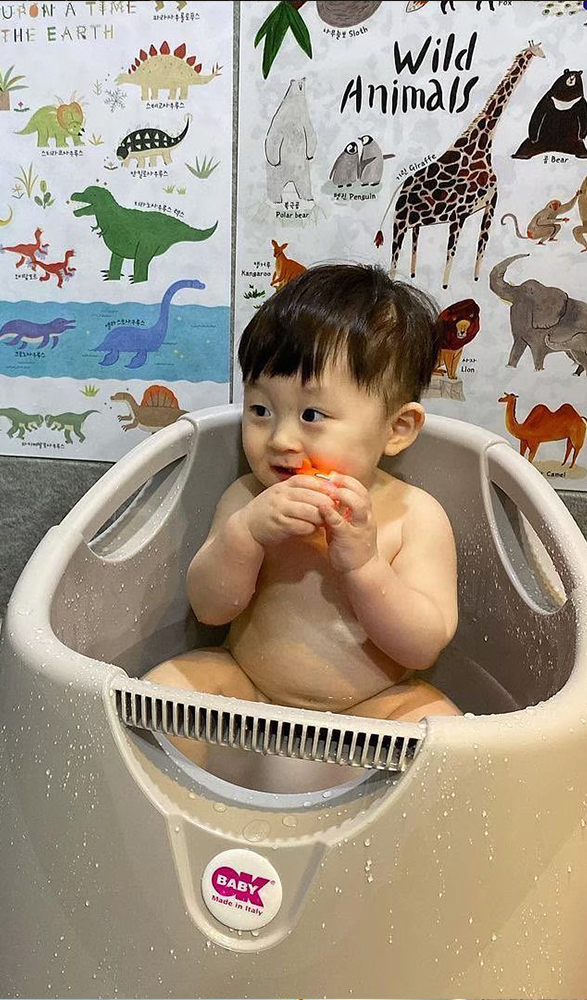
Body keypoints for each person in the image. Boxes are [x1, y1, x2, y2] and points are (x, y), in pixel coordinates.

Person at [144, 263, 460, 762]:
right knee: (162, 697)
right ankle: (182, 802)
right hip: (251, 693)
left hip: (374, 710)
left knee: (448, 738)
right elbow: (209, 609)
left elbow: (422, 647)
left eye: (312, 415)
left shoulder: (414, 515)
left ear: (396, 429)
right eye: (260, 410)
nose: (281, 439)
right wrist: (246, 536)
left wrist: (364, 566)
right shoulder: (248, 498)